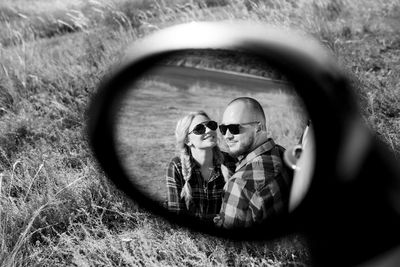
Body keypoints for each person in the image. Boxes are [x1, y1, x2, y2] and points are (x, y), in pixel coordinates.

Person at [214, 97, 293, 229]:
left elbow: (227, 246)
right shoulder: (281, 153)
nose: (227, 136)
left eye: (234, 128)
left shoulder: (240, 185)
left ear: (259, 127)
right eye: (223, 128)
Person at [165, 110, 235, 223]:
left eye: (211, 125)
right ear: (187, 140)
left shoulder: (230, 162)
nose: (209, 130)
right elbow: (176, 215)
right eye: (199, 129)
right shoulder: (177, 166)